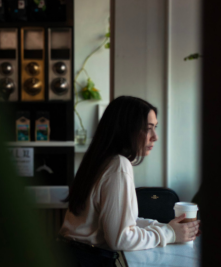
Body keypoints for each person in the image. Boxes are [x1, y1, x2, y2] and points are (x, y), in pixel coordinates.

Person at [58, 96, 200, 267]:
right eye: (148, 129)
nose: (155, 137)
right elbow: (121, 238)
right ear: (126, 129)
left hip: (71, 255)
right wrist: (169, 233)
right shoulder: (118, 164)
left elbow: (120, 221)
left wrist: (164, 227)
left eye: (155, 128)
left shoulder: (99, 160)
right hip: (87, 260)